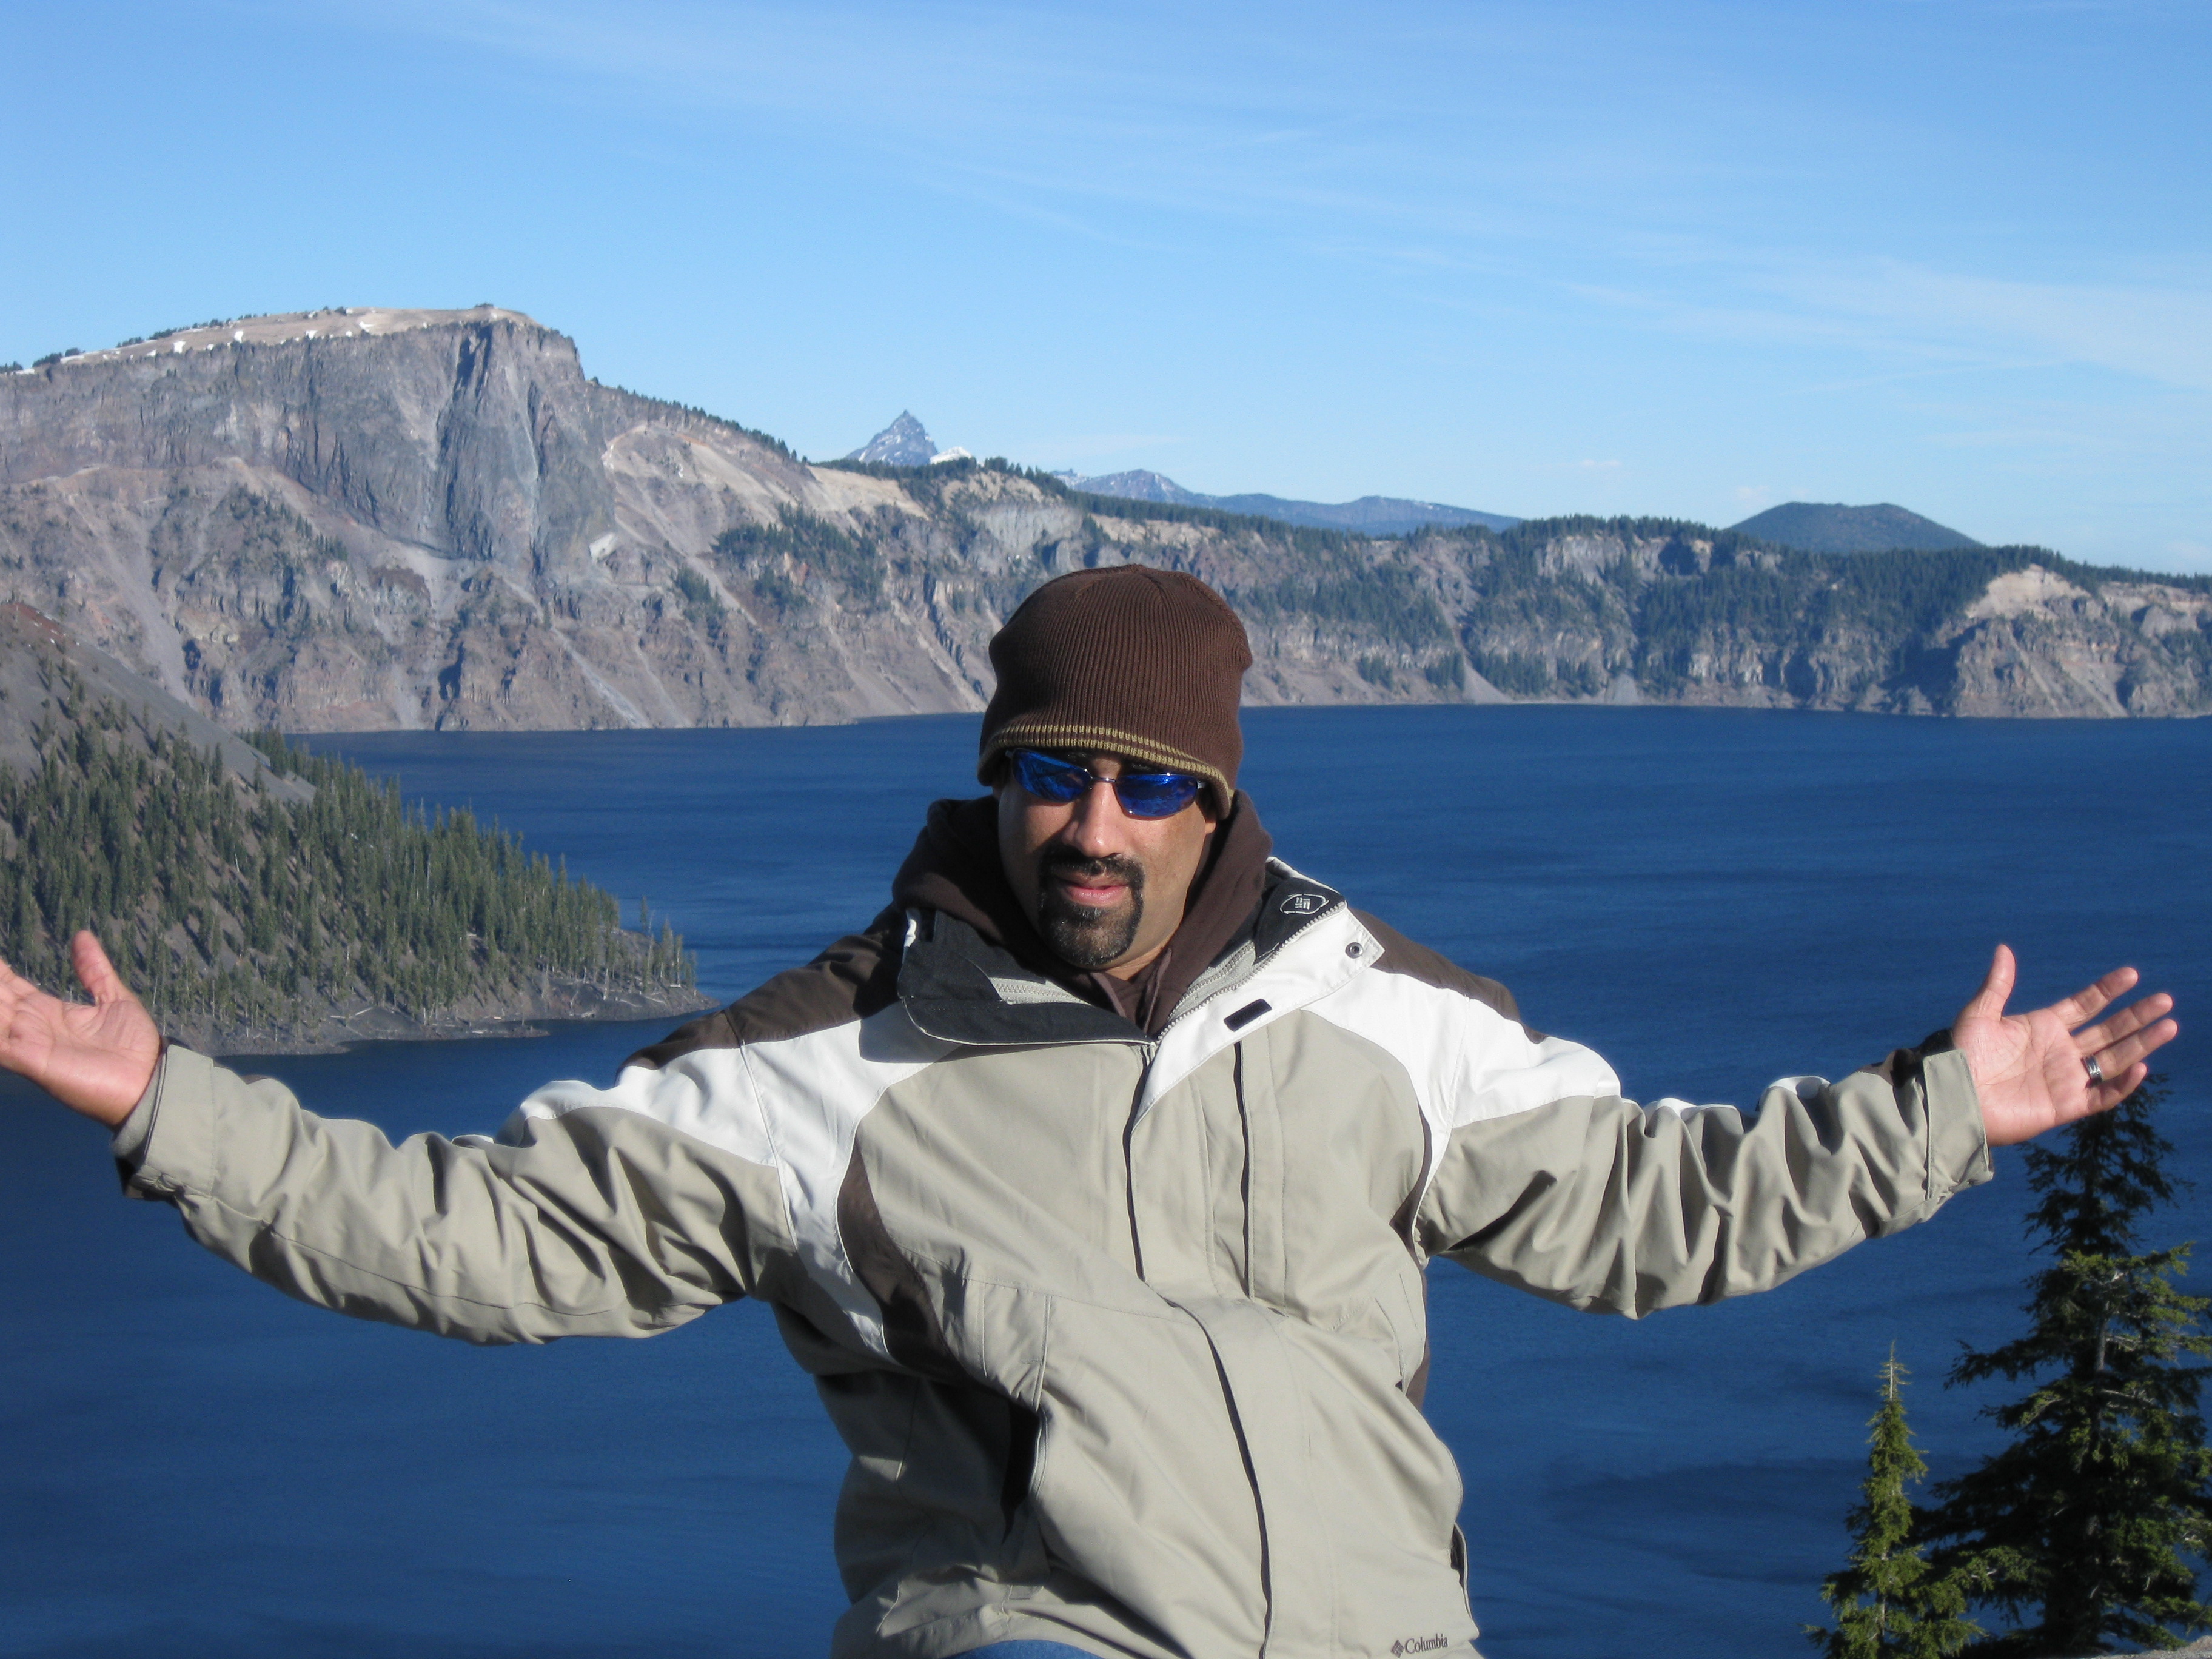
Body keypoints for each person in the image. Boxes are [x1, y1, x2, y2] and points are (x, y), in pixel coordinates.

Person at [0, 566, 2179, 1659]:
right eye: (1055, 773)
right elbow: (481, 1235)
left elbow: (1644, 1205)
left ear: (1220, 799)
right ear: (1000, 779)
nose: (1096, 824)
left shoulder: (1379, 1019)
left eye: (1151, 783)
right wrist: (175, 1106)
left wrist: (1935, 1114)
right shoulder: (824, 1067)